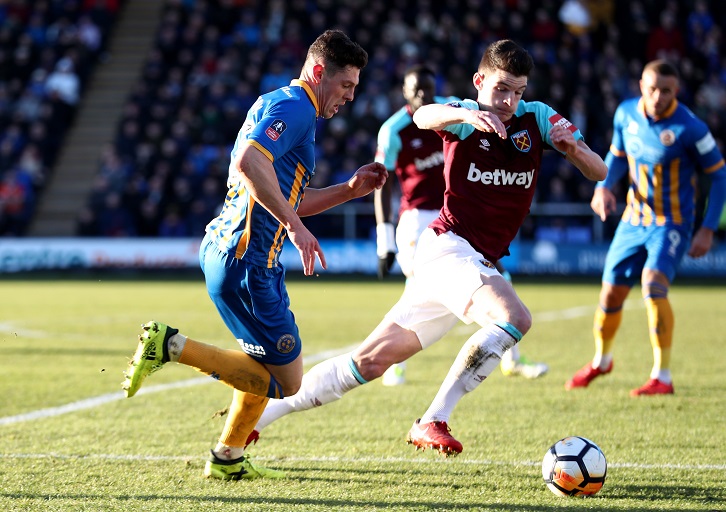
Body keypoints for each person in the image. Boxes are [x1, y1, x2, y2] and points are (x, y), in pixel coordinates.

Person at [244, 39, 607, 460]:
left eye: (518, 91)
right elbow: (423, 116)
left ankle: (260, 419)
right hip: (447, 248)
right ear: (479, 81)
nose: (509, 100)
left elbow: (598, 170)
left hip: (468, 261)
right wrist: (466, 113)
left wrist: (574, 149)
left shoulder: (537, 118)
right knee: (514, 318)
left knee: (369, 363)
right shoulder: (459, 114)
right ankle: (433, 419)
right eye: (501, 88)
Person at [121, 29, 387, 480]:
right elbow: (248, 162)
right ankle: (169, 345)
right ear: (319, 72)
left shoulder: (280, 104)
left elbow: (281, 194)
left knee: (260, 361)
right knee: (287, 382)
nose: (350, 97)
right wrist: (296, 228)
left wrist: (348, 190)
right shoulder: (296, 108)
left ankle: (228, 457)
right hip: (245, 262)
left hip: (236, 255)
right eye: (346, 85)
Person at [374, 64, 548, 386]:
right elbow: (382, 184)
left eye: (429, 88)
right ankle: (394, 362)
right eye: (418, 91)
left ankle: (511, 359)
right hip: (416, 219)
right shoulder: (394, 129)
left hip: (458, 215)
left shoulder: (453, 110)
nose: (425, 95)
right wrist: (383, 238)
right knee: (417, 289)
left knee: (499, 278)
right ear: (405, 94)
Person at [565, 60, 726, 396]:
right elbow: (617, 155)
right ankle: (601, 361)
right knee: (609, 294)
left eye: (666, 90)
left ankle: (662, 377)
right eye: (652, 88)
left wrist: (708, 228)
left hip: (672, 223)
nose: (658, 96)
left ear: (676, 91)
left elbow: (719, 175)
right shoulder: (625, 114)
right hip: (633, 220)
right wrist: (603, 187)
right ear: (641, 85)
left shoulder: (691, 128)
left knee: (652, 284)